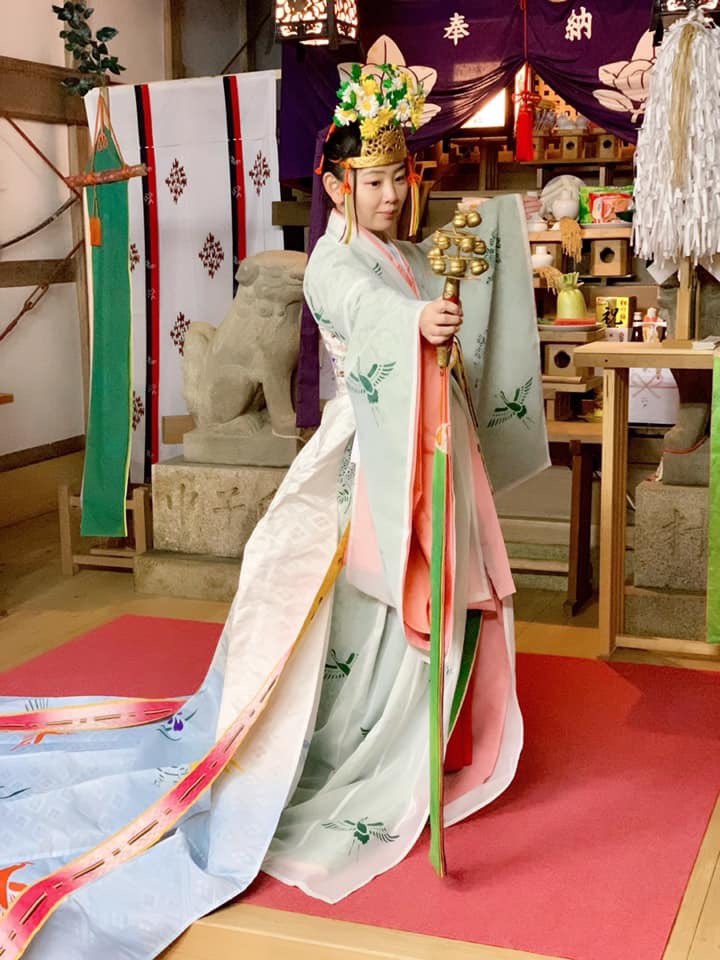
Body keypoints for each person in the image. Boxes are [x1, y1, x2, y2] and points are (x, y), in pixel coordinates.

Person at [0, 63, 547, 959]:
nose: (389, 195)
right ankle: (339, 749)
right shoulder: (333, 262)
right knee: (352, 616)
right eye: (372, 180)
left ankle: (411, 736)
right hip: (364, 459)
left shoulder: (408, 253)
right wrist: (414, 327)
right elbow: (362, 310)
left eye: (398, 177)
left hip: (419, 444)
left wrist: (478, 264)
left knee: (408, 611)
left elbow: (437, 298)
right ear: (335, 185)